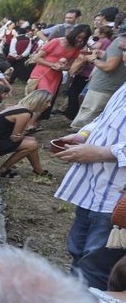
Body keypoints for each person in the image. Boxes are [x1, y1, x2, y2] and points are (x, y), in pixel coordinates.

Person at [54, 80, 126, 288]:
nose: (121, 57)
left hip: (116, 198)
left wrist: (103, 152)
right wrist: (82, 135)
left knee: (97, 267)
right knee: (77, 251)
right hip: (92, 188)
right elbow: (105, 119)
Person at [73, 23, 126, 128]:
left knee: (86, 119)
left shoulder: (118, 42)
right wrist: (103, 54)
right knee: (86, 113)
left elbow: (109, 67)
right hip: (105, 86)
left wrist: (92, 59)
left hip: (104, 87)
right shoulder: (118, 42)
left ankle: (75, 141)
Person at [0, 89, 52, 178]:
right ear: (39, 101)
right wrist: (27, 131)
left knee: (32, 141)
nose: (49, 105)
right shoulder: (25, 114)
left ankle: (38, 170)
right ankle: (3, 169)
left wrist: (24, 133)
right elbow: (15, 138)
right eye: (47, 102)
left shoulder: (20, 107)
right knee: (32, 144)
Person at [27, 24, 91, 98]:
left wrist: (63, 67)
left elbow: (68, 67)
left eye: (83, 39)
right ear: (74, 34)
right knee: (39, 97)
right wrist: (52, 65)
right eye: (79, 37)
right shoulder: (56, 41)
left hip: (56, 76)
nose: (80, 40)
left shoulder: (76, 49)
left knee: (47, 100)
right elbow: (36, 58)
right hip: (42, 72)